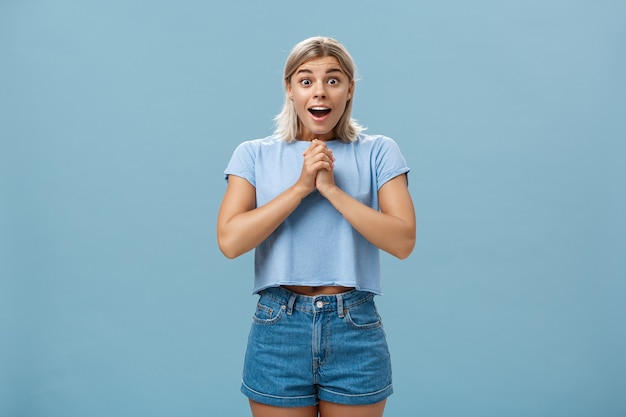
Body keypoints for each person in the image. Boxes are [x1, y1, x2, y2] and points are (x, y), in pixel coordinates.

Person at [217, 36, 416, 417]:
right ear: (289, 89)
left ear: (349, 89)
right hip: (278, 326)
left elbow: (402, 240)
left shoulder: (379, 151)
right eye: (306, 81)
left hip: (353, 325)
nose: (319, 92)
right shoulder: (254, 154)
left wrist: (330, 190)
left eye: (333, 80)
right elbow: (230, 240)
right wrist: (301, 188)